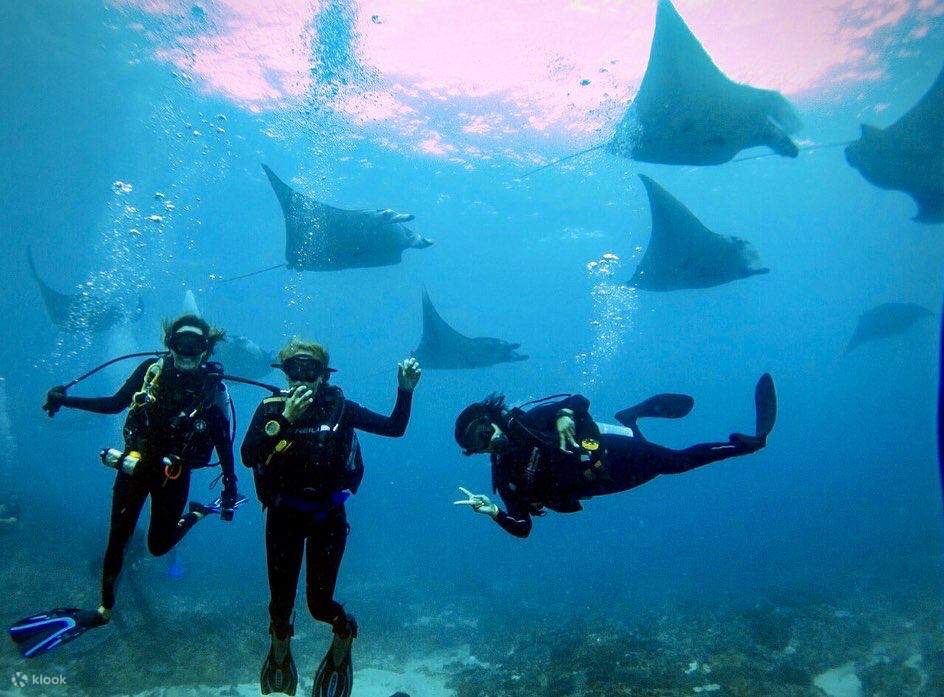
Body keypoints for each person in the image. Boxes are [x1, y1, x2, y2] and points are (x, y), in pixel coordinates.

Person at [9, 315, 242, 658]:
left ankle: (193, 514)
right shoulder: (152, 371)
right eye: (181, 344)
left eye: (195, 345)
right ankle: (103, 610)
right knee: (117, 539)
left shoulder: (211, 386)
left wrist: (230, 485)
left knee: (158, 546)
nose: (187, 352)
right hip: (134, 467)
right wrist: (66, 399)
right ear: (170, 345)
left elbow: (223, 437)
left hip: (173, 476)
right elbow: (114, 404)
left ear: (206, 349)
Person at [241, 339, 421, 697]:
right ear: (285, 374)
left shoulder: (340, 408)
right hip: (282, 518)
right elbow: (248, 455)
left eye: (311, 370)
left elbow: (394, 427)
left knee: (319, 605)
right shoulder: (270, 408)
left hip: (328, 519)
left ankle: (343, 633)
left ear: (324, 375)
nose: (302, 377)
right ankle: (279, 651)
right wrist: (285, 418)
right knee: (280, 606)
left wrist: (405, 390)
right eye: (294, 369)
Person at [453, 375, 776, 538]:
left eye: (485, 430)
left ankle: (749, 444)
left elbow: (579, 400)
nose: (487, 441)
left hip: (608, 451)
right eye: (477, 444)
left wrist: (565, 414)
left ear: (493, 419)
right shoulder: (507, 479)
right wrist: (493, 511)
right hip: (606, 483)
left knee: (675, 462)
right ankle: (630, 419)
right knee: (660, 468)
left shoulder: (531, 422)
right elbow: (523, 527)